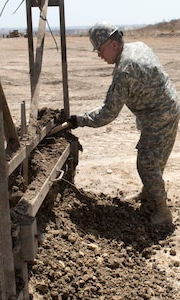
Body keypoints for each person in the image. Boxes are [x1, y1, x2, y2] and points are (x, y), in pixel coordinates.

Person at [67, 21, 180, 225]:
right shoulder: (137, 46)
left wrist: (79, 120)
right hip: (169, 105)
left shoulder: (125, 71)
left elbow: (107, 114)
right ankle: (148, 194)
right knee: (155, 158)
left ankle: (163, 213)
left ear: (112, 44)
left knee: (147, 162)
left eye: (100, 49)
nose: (99, 55)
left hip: (159, 115)